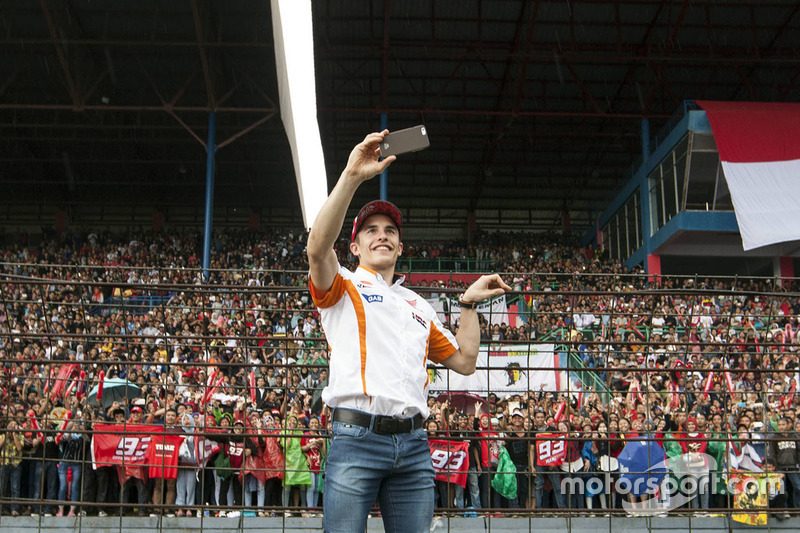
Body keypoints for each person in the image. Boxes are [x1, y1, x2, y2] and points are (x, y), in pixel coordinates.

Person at [306, 130, 510, 533]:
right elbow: (316, 249)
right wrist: (351, 175)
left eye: (390, 231)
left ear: (400, 248)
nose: (382, 234)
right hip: (356, 437)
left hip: (414, 446)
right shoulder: (343, 285)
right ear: (355, 248)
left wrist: (467, 305)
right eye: (371, 230)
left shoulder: (418, 305)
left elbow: (465, 362)